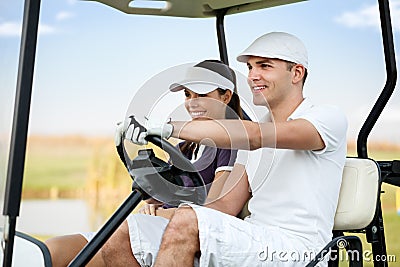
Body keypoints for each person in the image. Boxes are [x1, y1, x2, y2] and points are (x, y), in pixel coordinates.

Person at [120, 32, 348, 266]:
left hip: (299, 249)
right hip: (254, 237)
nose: (252, 76)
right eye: (250, 68)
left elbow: (256, 137)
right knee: (134, 230)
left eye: (264, 66)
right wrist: (159, 215)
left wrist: (163, 127)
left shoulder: (326, 118)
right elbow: (223, 206)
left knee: (188, 222)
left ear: (296, 73)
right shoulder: (254, 134)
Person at [44, 59, 243, 266]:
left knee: (83, 259)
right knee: (53, 249)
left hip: (180, 237)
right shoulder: (186, 145)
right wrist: (154, 199)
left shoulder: (230, 143)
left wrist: (161, 213)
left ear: (226, 97)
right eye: (187, 95)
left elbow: (214, 209)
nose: (192, 102)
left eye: (202, 95)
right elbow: (166, 196)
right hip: (157, 225)